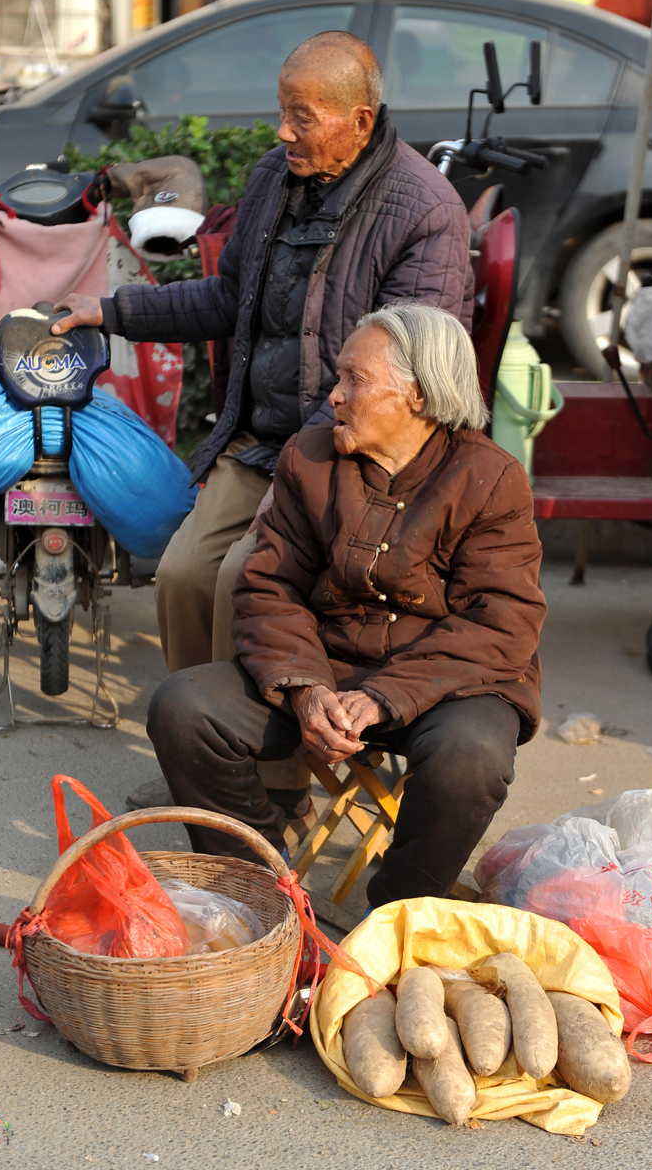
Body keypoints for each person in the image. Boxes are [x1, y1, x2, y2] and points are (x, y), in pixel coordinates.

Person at [53, 30, 473, 817]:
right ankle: (202, 754)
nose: (284, 132)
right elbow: (225, 299)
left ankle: (271, 786)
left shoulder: (424, 212)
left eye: (302, 116)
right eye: (282, 112)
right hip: (262, 444)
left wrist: (310, 456)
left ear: (360, 117)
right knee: (179, 574)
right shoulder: (274, 180)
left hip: (354, 458)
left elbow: (403, 380)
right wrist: (107, 312)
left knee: (239, 579)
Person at [146, 304, 546, 908]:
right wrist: (306, 689)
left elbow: (502, 623)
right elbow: (268, 586)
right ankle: (258, 886)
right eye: (339, 378)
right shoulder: (310, 458)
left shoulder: (490, 477)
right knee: (183, 707)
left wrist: (387, 696)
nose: (335, 396)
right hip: (326, 670)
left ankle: (395, 910)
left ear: (417, 394)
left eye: (354, 379)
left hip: (446, 683)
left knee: (473, 757)